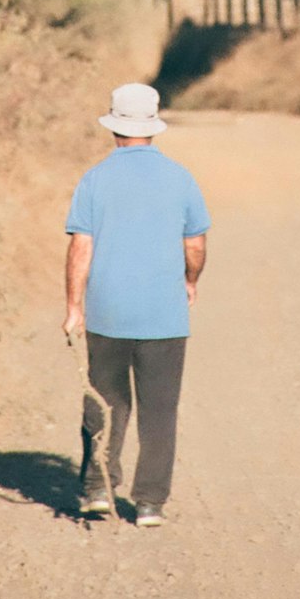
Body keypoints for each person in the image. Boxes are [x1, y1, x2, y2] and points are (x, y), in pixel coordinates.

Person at [63, 81, 210, 528]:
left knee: (106, 404)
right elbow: (196, 244)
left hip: (107, 314)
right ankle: (149, 503)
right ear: (153, 127)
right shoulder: (181, 177)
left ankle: (96, 490)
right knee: (160, 410)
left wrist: (74, 306)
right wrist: (189, 280)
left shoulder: (94, 179)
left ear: (114, 127)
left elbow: (80, 249)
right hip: (164, 316)